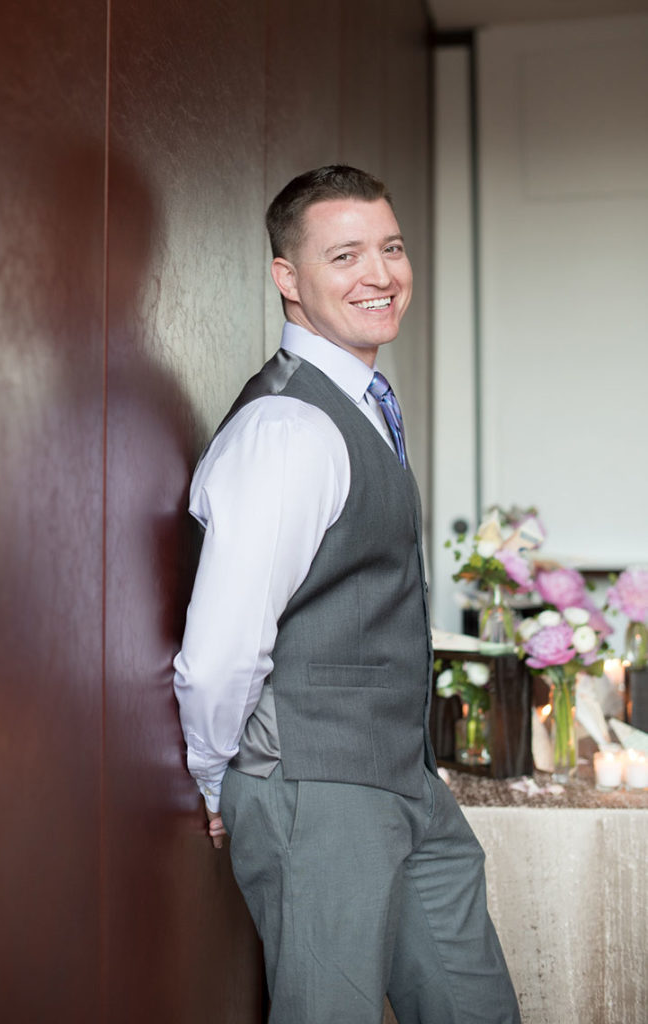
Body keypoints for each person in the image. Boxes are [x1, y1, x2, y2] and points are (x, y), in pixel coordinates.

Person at [173, 165, 521, 1024]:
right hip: (314, 787)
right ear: (287, 277)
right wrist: (217, 777)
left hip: (400, 776)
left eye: (391, 247)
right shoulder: (287, 428)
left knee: (475, 1007)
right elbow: (221, 648)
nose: (380, 274)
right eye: (345, 255)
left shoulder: (359, 405)